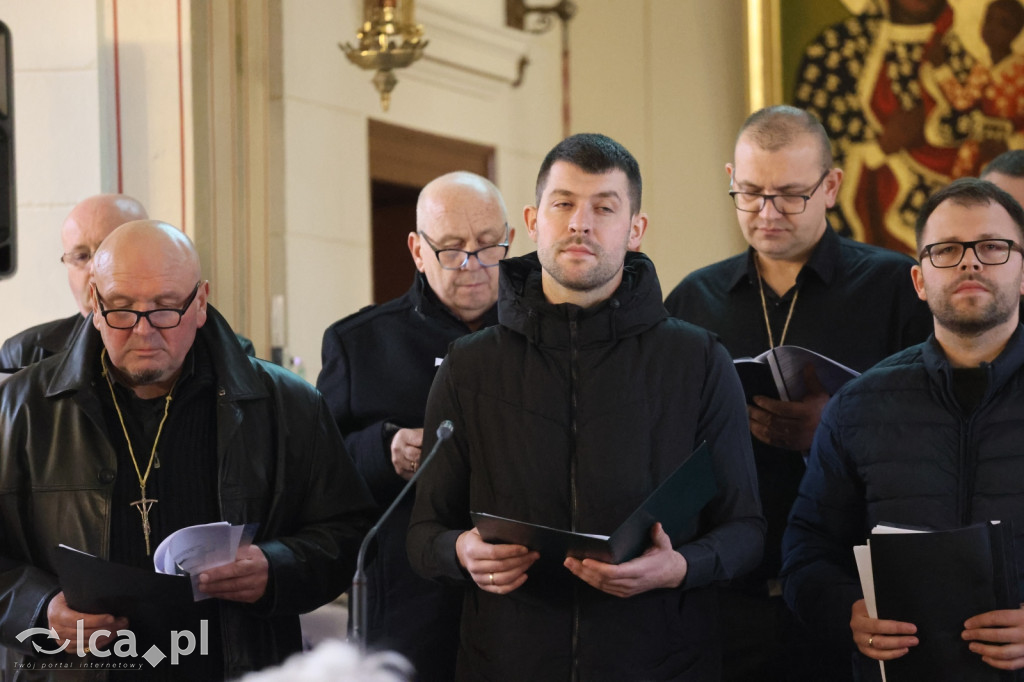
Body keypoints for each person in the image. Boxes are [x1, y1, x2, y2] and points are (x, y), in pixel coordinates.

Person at [407, 133, 765, 681]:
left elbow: (745, 529)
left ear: (635, 230)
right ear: (533, 220)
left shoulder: (697, 359)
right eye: (564, 204)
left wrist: (680, 567)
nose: (581, 223)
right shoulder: (469, 365)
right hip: (507, 662)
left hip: (661, 661)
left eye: (604, 207)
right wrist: (459, 550)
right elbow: (423, 531)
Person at [0, 221, 375, 680]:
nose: (143, 331)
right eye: (121, 309)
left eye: (164, 309)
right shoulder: (20, 408)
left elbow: (348, 531)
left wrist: (277, 568)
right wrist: (40, 609)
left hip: (229, 665)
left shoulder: (286, 404)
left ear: (199, 301)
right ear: (94, 303)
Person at [664, 105, 932, 680]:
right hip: (726, 591)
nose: (767, 214)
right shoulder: (693, 298)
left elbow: (934, 427)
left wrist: (837, 425)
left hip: (853, 595)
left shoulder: (894, 288)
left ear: (831, 186)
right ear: (731, 181)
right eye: (751, 193)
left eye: (789, 195)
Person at [782, 177, 1024, 680]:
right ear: (918, 280)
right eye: (947, 250)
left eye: (993, 247)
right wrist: (846, 610)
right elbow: (807, 548)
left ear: (1023, 273)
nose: (970, 262)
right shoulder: (858, 406)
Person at [317, 171, 513, 681]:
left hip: (522, 597)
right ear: (416, 249)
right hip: (410, 599)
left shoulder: (544, 337)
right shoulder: (359, 344)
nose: (472, 265)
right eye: (451, 248)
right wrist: (385, 449)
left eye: (489, 246)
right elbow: (320, 468)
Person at [0, 194, 148, 369]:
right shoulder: (23, 354)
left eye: (108, 253)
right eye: (81, 256)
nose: (94, 269)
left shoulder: (184, 348)